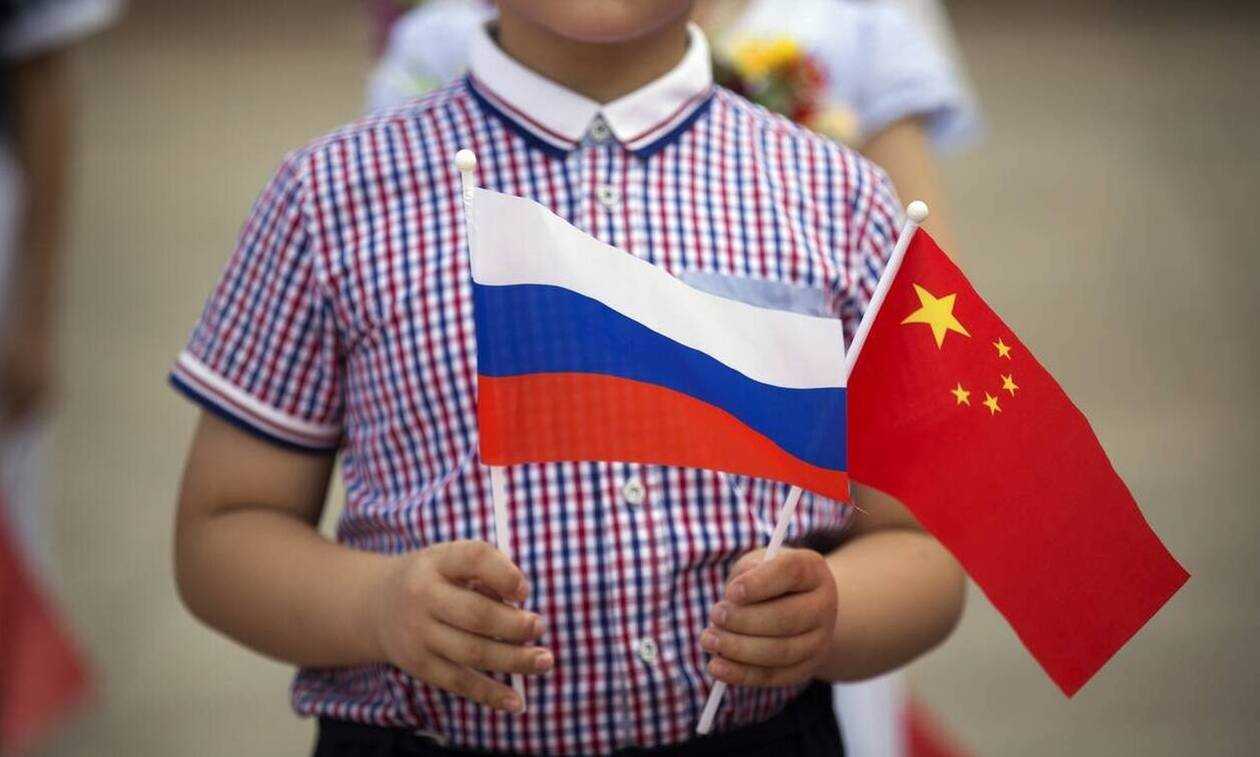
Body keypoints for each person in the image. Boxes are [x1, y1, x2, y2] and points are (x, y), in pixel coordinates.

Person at [171, 2, 966, 755]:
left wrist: (832, 613)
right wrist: (378, 605)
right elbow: (224, 530)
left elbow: (922, 547)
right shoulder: (331, 197)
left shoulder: (837, 200)